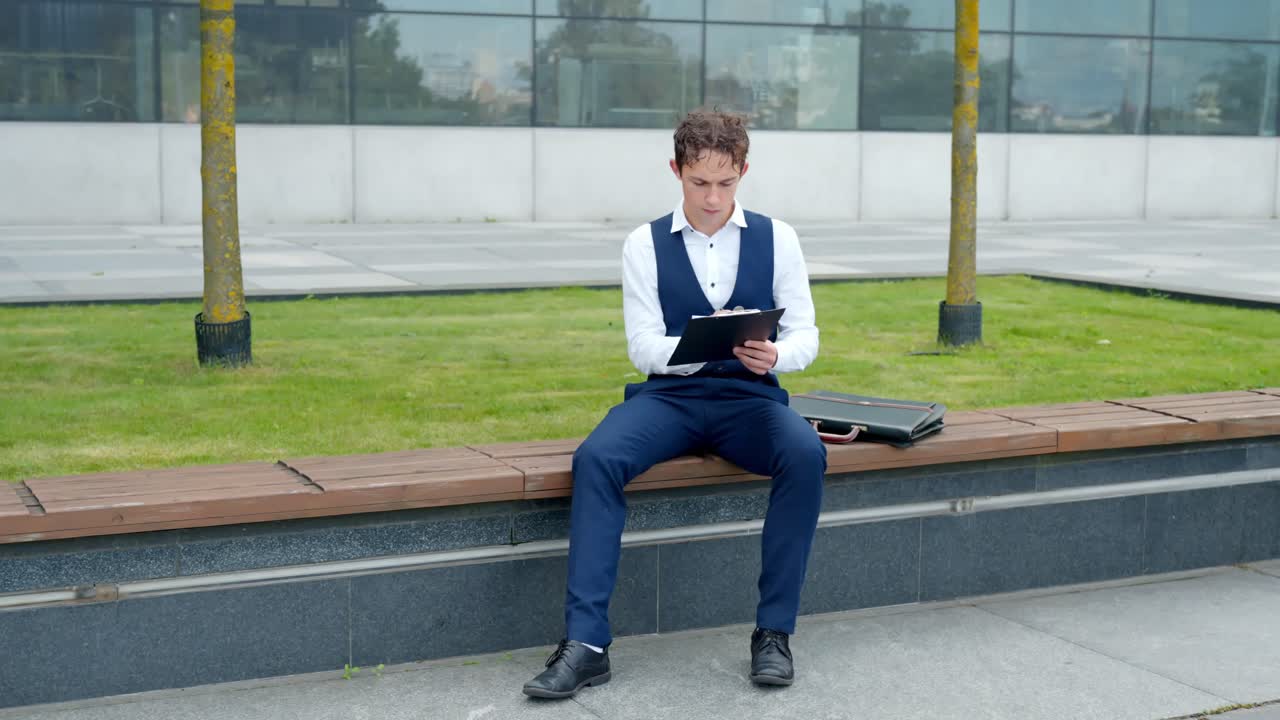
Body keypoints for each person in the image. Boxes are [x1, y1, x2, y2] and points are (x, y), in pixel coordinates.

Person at [522, 108, 826, 699]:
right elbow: (642, 346)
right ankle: (585, 644)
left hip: (748, 399)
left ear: (743, 170)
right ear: (676, 170)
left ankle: (774, 632)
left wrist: (775, 356)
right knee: (598, 458)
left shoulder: (778, 237)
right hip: (672, 398)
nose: (712, 199)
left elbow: (807, 335)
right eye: (698, 183)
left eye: (726, 183)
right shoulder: (643, 243)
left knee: (805, 452)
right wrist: (700, 345)